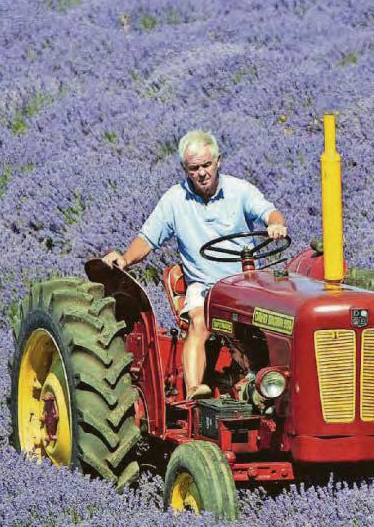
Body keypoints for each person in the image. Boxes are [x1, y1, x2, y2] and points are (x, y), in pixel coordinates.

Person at [102, 129, 287, 399]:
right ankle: (194, 389)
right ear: (184, 169)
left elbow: (268, 211)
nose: (202, 173)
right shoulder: (174, 200)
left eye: (206, 165)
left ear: (218, 161)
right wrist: (126, 258)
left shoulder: (240, 190)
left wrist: (275, 224)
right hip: (204, 286)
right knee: (199, 321)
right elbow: (148, 237)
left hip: (244, 284)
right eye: (194, 168)